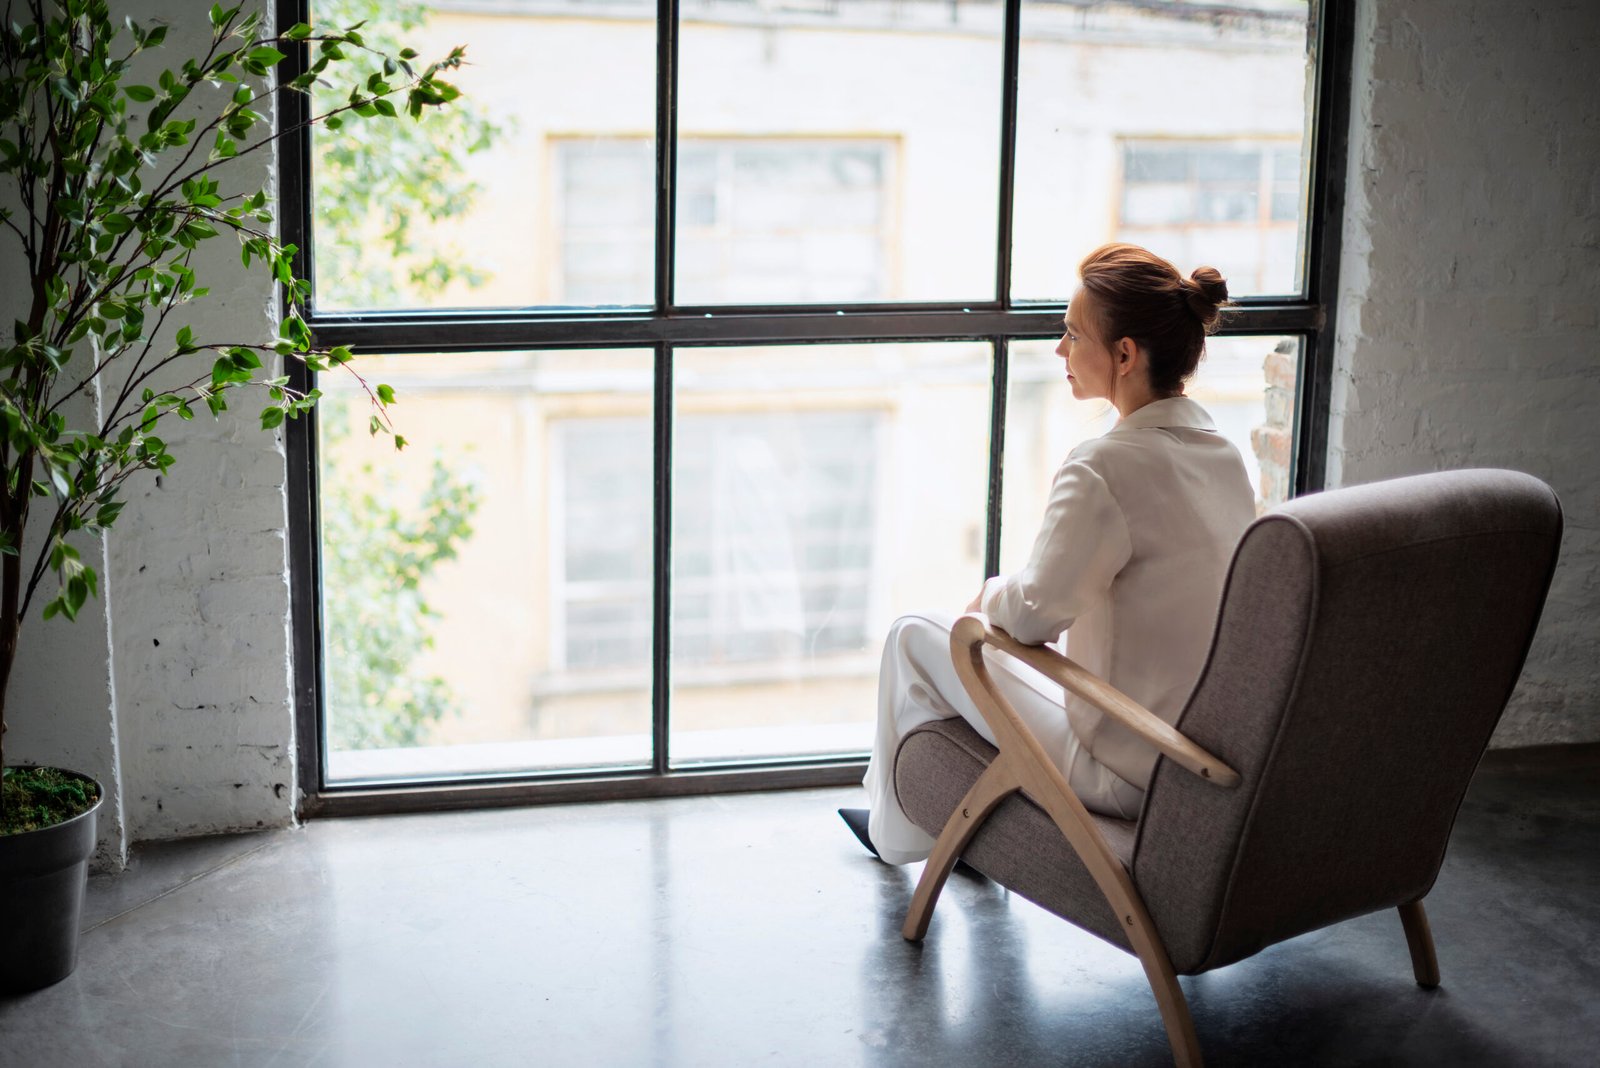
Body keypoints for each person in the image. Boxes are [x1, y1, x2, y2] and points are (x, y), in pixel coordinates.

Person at [841, 243, 1257, 865]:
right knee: (950, 657)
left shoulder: (1105, 465)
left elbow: (1035, 615)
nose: (1060, 349)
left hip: (1126, 762)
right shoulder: (1223, 457)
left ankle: (900, 832)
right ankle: (932, 825)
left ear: (1124, 354)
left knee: (914, 637)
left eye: (1072, 333)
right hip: (1197, 752)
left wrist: (991, 591)